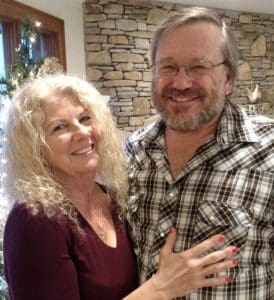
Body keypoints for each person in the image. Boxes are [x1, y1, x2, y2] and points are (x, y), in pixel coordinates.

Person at [3, 74, 238, 300]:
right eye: (59, 127)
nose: (82, 132)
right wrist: (161, 288)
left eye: (85, 118)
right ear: (35, 147)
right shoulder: (36, 220)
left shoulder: (111, 199)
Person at [125, 7, 274, 300]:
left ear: (229, 79)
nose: (180, 83)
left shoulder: (269, 151)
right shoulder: (133, 150)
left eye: (199, 67)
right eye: (167, 67)